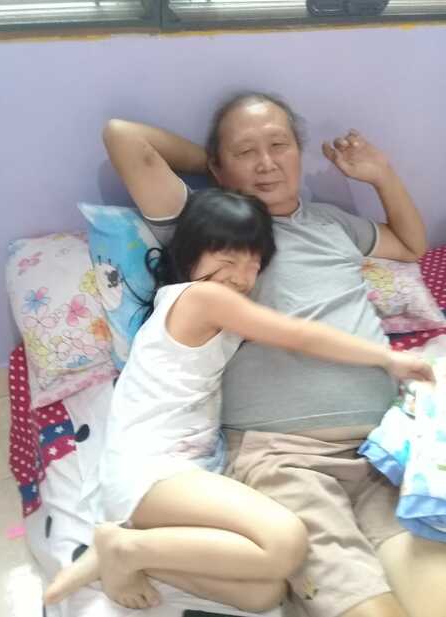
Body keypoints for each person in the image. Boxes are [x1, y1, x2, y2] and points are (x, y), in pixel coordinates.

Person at [96, 91, 446, 617]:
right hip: (285, 458)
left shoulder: (332, 223)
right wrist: (217, 171)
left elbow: (410, 245)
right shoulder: (210, 228)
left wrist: (381, 176)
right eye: (246, 151)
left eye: (280, 145)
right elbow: (123, 136)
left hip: (381, 450)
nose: (266, 163)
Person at [43, 189, 433, 613]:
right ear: (191, 253)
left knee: (263, 592)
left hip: (191, 471)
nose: (242, 276)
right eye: (227, 259)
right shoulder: (201, 298)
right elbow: (298, 334)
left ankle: (129, 549)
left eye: (253, 264)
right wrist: (386, 357)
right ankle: (123, 547)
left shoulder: (200, 306)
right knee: (285, 544)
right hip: (151, 469)